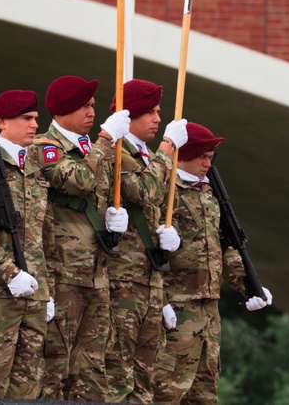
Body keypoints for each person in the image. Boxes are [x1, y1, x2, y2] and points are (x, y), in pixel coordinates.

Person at [153, 122, 273, 405]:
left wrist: (249, 284)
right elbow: (141, 252)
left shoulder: (208, 193)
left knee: (205, 394)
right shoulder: (162, 188)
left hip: (208, 310)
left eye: (211, 157)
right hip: (175, 307)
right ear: (184, 154)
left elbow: (225, 247)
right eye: (202, 157)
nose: (207, 163)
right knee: (166, 391)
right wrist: (157, 299)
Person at [37, 75, 131, 402]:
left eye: (93, 105)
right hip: (63, 275)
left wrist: (112, 221)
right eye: (84, 105)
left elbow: (98, 196)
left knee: (92, 368)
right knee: (55, 366)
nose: (92, 112)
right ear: (63, 110)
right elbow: (79, 181)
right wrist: (106, 138)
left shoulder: (90, 148)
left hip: (96, 275)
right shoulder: (45, 148)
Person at [100, 79, 187, 403]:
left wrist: (170, 233)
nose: (156, 118)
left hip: (149, 279)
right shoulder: (119, 152)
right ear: (130, 115)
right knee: (119, 374)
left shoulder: (145, 155)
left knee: (146, 377)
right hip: (123, 278)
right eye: (149, 112)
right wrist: (168, 148)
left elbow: (161, 205)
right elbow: (143, 191)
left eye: (158, 112)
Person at [0, 89, 55, 399]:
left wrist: (49, 290)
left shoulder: (33, 168)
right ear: (2, 121)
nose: (35, 124)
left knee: (28, 385)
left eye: (36, 117)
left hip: (34, 292)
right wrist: (9, 273)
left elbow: (43, 234)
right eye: (27, 118)